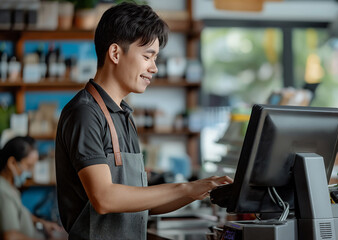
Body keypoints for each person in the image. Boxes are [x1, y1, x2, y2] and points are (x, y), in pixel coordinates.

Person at [55, 3, 232, 240]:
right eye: (147, 56)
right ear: (115, 53)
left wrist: (200, 190)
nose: (154, 68)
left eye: (156, 58)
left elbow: (141, 202)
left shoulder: (124, 114)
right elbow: (105, 198)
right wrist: (184, 188)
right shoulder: (85, 113)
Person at [0, 136, 63, 240]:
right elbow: (9, 236)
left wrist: (41, 222)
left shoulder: (11, 188)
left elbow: (18, 212)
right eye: (28, 166)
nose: (30, 173)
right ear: (12, 163)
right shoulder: (3, 192)